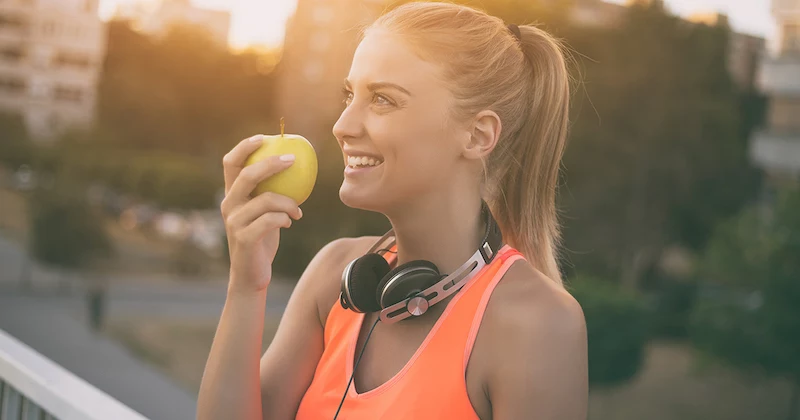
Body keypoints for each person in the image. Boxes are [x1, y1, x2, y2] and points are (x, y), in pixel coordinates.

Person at [197, 2, 588, 419]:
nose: (343, 125)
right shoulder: (334, 277)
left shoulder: (536, 325)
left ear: (477, 135)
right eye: (351, 94)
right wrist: (246, 285)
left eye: (382, 99)